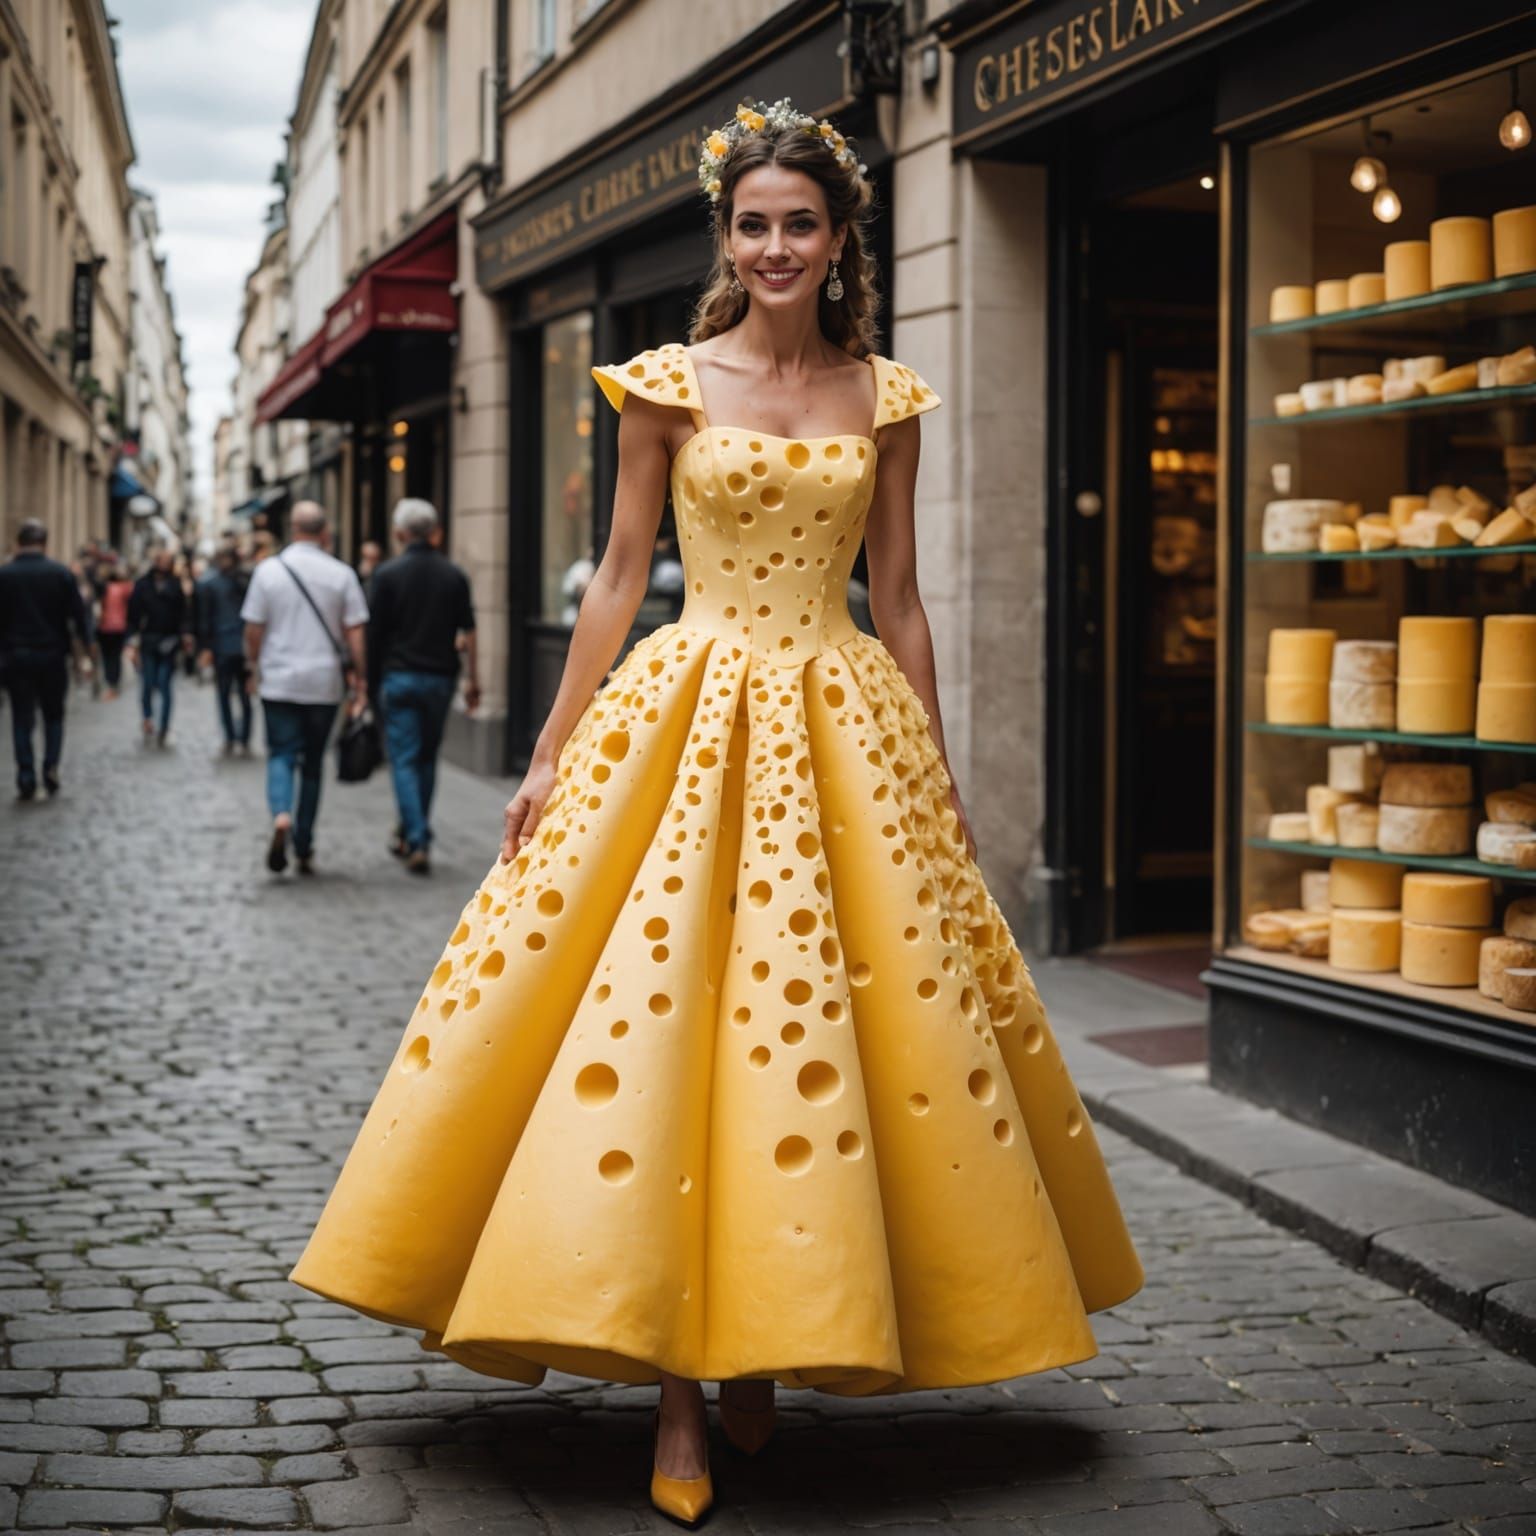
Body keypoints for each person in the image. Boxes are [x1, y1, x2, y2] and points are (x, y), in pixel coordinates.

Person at [287, 98, 1144, 1526]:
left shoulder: (888, 395)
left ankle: (763, 1343)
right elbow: (621, 579)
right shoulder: (664, 385)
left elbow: (905, 598)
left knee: (813, 1039)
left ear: (840, 235)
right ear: (727, 235)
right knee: (668, 1023)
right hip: (686, 715)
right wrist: (555, 750)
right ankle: (682, 1385)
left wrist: (932, 769)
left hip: (842, 716)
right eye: (753, 224)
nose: (775, 246)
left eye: (800, 222)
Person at [241, 501, 368, 876]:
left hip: (279, 678)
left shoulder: (267, 572)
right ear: (324, 531)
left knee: (281, 753)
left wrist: (253, 666)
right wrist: (360, 679)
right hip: (323, 682)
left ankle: (282, 814)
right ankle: (304, 843)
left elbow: (253, 627)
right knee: (312, 764)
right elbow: (356, 633)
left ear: (292, 528)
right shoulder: (341, 573)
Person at [368, 499, 479, 875]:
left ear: (400, 534)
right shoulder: (453, 575)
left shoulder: (386, 576)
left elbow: (374, 637)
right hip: (439, 678)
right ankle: (411, 830)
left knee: (403, 759)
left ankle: (416, 837)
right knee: (427, 757)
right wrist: (473, 679)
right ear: (436, 533)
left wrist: (367, 684)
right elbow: (469, 630)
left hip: (399, 678)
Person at [0, 520, 92, 798]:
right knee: (53, 715)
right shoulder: (60, 573)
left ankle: (25, 774)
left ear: (19, 543)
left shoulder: (5, 575)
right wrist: (87, 648)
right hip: (52, 655)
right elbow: (78, 615)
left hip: (16, 657)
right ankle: (50, 765)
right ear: (45, 543)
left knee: (21, 717)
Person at [126, 548, 192, 746]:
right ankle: (148, 718)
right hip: (148, 640)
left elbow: (184, 614)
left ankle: (164, 725)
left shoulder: (175, 585)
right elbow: (133, 615)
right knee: (147, 683)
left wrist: (185, 635)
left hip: (169, 641)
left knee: (164, 683)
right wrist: (132, 639)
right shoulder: (143, 585)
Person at [197, 547, 253, 755]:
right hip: (228, 645)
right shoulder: (234, 583)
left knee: (235, 695)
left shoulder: (239, 582)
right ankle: (235, 737)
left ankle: (237, 737)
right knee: (232, 694)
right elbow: (206, 618)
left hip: (231, 645)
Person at [96, 561, 133, 698]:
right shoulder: (126, 588)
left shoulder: (106, 587)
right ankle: (114, 682)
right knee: (115, 656)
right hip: (118, 626)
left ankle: (110, 681)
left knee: (107, 656)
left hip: (106, 626)